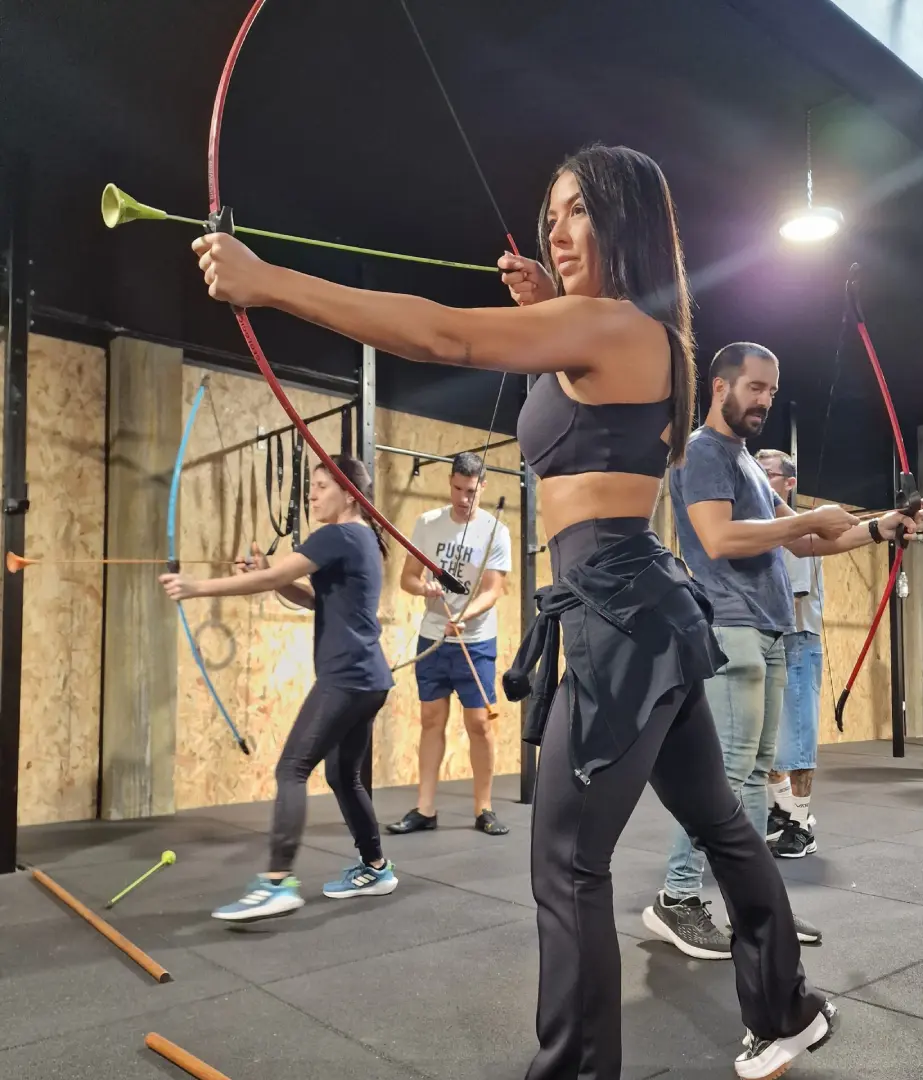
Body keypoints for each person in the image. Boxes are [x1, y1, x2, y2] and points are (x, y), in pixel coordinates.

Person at [190, 143, 839, 1079]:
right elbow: (587, 419)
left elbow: (442, 336)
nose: (557, 228)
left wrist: (268, 282)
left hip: (620, 615)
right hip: (635, 609)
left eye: (579, 211)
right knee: (721, 824)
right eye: (553, 212)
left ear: (626, 220)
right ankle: (785, 1009)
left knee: (568, 862)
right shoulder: (624, 335)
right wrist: (543, 306)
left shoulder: (616, 326)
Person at [642, 342, 923, 964]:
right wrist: (805, 519)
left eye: (772, 390)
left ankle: (755, 905)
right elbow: (718, 538)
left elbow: (807, 544)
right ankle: (677, 894)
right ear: (720, 388)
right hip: (731, 627)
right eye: (755, 387)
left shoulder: (745, 461)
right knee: (723, 778)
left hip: (771, 628)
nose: (764, 400)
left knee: (754, 779)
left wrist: (884, 525)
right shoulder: (701, 453)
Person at [160, 455, 399, 921]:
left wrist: (197, 587)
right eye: (310, 486)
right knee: (341, 776)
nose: (312, 494)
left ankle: (277, 882)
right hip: (368, 679)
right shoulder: (362, 538)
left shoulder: (337, 534)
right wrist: (269, 573)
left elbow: (272, 578)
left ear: (350, 493)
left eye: (322, 486)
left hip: (348, 678)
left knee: (292, 768)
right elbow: (308, 596)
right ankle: (376, 866)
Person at [388, 450, 512, 837]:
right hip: (434, 637)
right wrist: (422, 587)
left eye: (471, 491)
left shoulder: (496, 531)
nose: (463, 498)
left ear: (483, 487)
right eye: (458, 489)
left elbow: (494, 590)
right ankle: (425, 808)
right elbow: (407, 578)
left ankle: (484, 808)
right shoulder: (427, 524)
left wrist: (464, 616)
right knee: (431, 720)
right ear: (450, 484)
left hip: (474, 640)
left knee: (479, 724)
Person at [755, 449, 823, 859]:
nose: (760, 479)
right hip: (769, 642)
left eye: (769, 473)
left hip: (793, 641)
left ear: (789, 483)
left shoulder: (794, 532)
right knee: (768, 741)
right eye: (756, 472)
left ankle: (802, 823)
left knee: (796, 741)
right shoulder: (761, 531)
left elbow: (790, 602)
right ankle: (783, 810)